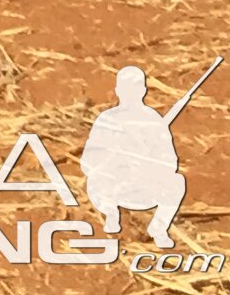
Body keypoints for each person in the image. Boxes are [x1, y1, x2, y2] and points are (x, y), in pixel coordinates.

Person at [78, 65, 188, 248]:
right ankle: (111, 215)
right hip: (111, 187)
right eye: (127, 88)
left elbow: (170, 162)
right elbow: (88, 163)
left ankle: (159, 228)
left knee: (177, 182)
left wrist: (147, 164)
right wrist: (114, 161)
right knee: (96, 180)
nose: (131, 93)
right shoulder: (107, 120)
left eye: (135, 88)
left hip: (143, 187)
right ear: (118, 91)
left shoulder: (153, 121)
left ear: (143, 90)